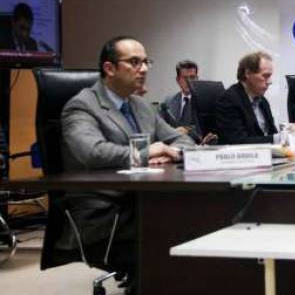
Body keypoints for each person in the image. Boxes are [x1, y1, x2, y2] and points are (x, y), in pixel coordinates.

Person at [60, 36, 195, 288]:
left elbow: (183, 141)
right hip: (105, 212)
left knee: (198, 219)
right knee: (181, 229)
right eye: (134, 62)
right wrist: (148, 152)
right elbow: (92, 153)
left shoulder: (141, 105)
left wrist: (171, 152)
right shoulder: (81, 106)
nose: (143, 69)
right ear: (109, 68)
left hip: (144, 201)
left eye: (145, 62)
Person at [215, 51, 277, 144]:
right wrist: (277, 139)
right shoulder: (229, 100)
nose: (269, 81)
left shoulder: (262, 101)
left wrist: (288, 133)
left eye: (270, 76)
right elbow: (237, 142)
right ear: (248, 73)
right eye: (265, 76)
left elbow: (272, 133)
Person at [160, 60, 200, 141]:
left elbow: (206, 129)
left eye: (192, 77)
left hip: (197, 147)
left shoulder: (204, 101)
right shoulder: (168, 101)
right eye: (185, 78)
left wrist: (187, 131)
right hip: (173, 146)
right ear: (178, 80)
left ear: (197, 79)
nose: (189, 82)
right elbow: (161, 128)